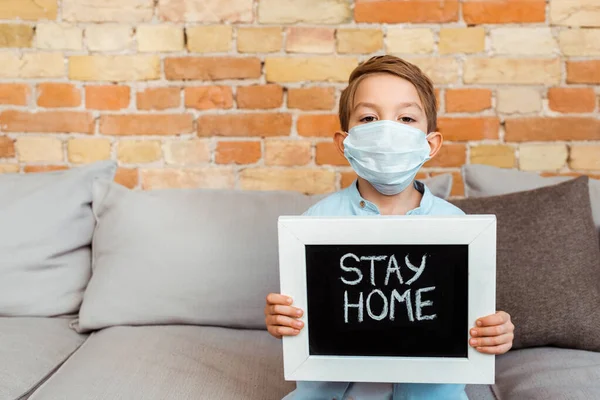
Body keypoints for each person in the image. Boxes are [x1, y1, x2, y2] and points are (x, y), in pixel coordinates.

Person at [265, 55, 515, 400]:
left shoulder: (459, 230)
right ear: (344, 142)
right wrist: (283, 321)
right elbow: (302, 318)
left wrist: (496, 331)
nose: (387, 132)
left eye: (406, 118)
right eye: (369, 117)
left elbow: (471, 318)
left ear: (430, 144)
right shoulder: (313, 226)